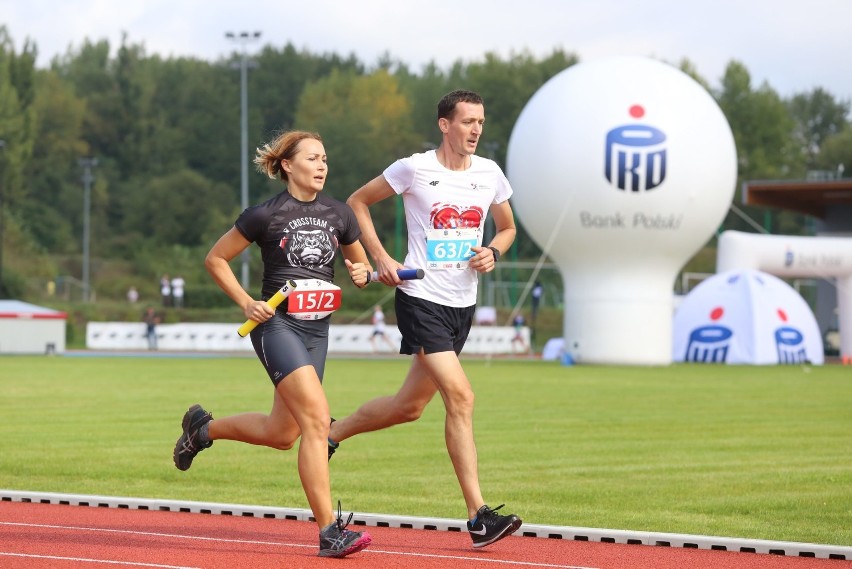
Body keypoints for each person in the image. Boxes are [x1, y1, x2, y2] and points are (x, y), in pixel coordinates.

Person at [333, 89, 522, 549]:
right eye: (466, 121)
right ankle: (478, 517)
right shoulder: (414, 168)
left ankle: (329, 433)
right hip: (419, 298)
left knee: (408, 407)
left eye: (480, 122)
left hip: (463, 305)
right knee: (461, 397)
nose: (476, 130)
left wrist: (492, 252)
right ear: (444, 124)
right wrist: (382, 258)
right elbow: (356, 202)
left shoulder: (488, 174)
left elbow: (508, 227)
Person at [172, 130, 372, 559]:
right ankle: (329, 532)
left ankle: (202, 431)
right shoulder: (264, 215)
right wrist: (248, 302)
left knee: (283, 433)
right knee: (318, 420)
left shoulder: (340, 214)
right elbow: (215, 259)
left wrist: (360, 271)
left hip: (317, 330)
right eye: (313, 158)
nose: (322, 166)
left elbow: (359, 262)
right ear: (288, 165)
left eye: (325, 159)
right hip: (277, 325)